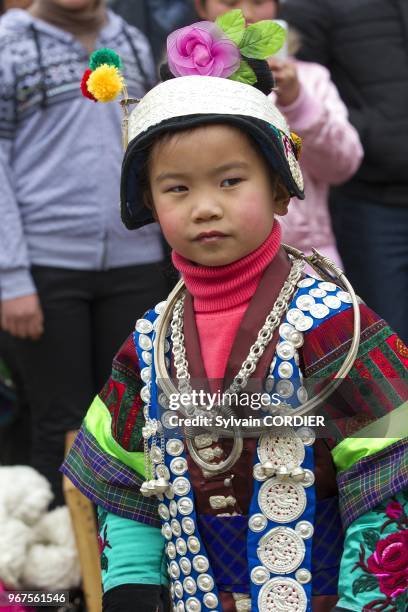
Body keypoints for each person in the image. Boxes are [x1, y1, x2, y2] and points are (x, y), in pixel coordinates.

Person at [62, 12, 408, 612]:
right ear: (149, 203)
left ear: (280, 190)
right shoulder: (149, 344)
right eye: (177, 189)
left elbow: (392, 487)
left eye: (229, 182)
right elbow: (125, 489)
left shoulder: (336, 327)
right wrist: (134, 590)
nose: (204, 208)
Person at [0, 0, 169, 506]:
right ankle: (66, 573)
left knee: (134, 419)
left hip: (136, 260)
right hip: (46, 267)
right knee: (61, 421)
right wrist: (10, 277)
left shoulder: (133, 41)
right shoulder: (9, 43)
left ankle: (129, 570)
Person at [193, 0, 363, 267]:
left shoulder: (310, 79)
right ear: (201, 8)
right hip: (215, 256)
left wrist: (298, 103)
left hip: (307, 259)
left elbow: (342, 166)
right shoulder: (184, 84)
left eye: (259, 2)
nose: (247, 14)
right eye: (229, 2)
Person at [281, 0, 408, 344]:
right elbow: (313, 87)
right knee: (389, 343)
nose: (247, 11)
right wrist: (373, 133)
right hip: (373, 197)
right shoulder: (319, 10)